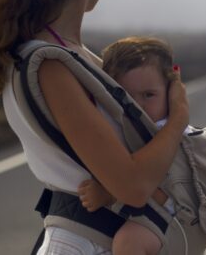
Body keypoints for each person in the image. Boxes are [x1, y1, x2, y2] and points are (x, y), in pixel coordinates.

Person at [0, 0, 190, 254]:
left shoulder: (69, 56)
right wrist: (178, 117)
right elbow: (132, 187)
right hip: (85, 242)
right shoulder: (49, 64)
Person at [78, 36, 182, 255]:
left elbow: (168, 187)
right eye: (125, 96)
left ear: (171, 92)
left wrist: (109, 194)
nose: (138, 105)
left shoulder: (167, 133)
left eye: (149, 95)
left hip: (174, 219)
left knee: (128, 243)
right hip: (151, 216)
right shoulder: (127, 128)